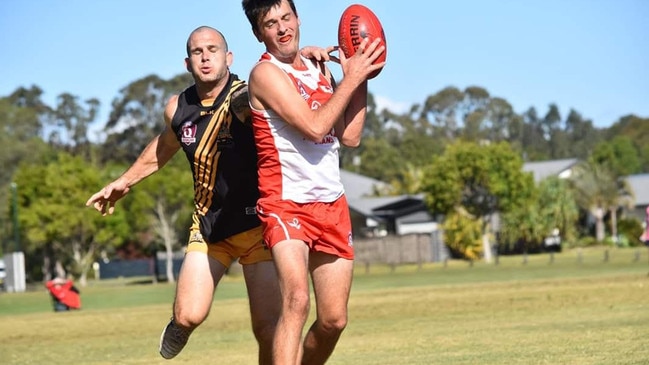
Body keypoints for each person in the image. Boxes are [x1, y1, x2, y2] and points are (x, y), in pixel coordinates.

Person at [86, 26, 329, 362]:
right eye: (198, 51)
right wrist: (123, 182)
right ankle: (179, 325)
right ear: (187, 62)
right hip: (209, 228)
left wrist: (301, 60)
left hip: (260, 228)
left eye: (213, 50)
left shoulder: (246, 97)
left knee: (268, 328)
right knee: (189, 315)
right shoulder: (177, 108)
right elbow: (164, 146)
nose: (205, 57)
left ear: (228, 58)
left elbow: (283, 89)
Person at [241, 1, 385, 364]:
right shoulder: (265, 74)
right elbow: (315, 126)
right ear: (259, 33)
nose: (282, 28)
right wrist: (351, 76)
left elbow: (349, 136)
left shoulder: (318, 68)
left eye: (286, 18)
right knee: (296, 301)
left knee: (334, 320)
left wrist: (360, 74)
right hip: (286, 202)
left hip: (331, 203)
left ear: (298, 18)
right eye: (270, 23)